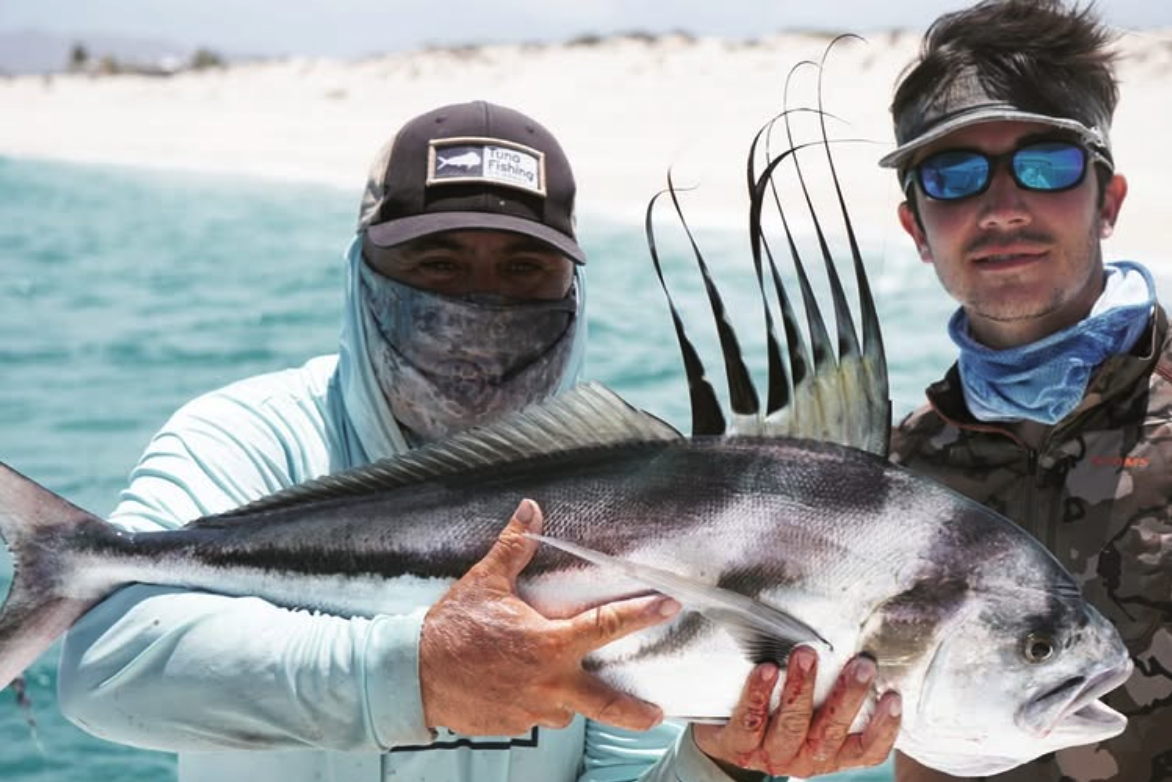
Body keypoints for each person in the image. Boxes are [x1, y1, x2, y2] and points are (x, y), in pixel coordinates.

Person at [55, 100, 901, 782]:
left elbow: (630, 767)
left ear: (572, 292)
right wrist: (415, 672)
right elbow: (107, 669)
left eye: (523, 271)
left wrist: (723, 765)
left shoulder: (634, 500)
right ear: (364, 272)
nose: (481, 306)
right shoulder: (248, 437)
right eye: (437, 264)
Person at [880, 2, 1172, 780]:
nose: (1002, 209)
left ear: (1108, 202)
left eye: (1047, 164)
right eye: (954, 176)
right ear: (916, 227)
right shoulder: (895, 465)